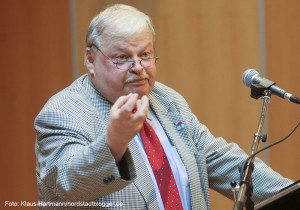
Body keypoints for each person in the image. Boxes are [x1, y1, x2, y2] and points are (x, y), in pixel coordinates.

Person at [34, 4, 293, 210]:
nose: (138, 68)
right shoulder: (63, 113)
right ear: (90, 60)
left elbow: (223, 160)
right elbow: (64, 186)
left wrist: (291, 194)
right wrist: (113, 143)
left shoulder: (166, 100)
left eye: (145, 54)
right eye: (122, 58)